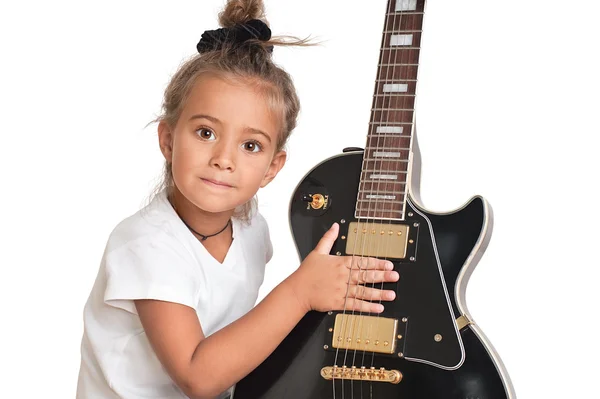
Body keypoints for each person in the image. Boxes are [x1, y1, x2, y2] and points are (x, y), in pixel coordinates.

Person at [76, 0, 399, 398]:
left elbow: (245, 340)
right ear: (167, 140)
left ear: (272, 168)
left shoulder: (251, 229)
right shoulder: (146, 245)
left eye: (250, 145)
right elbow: (198, 376)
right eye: (206, 133)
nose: (223, 160)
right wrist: (300, 292)